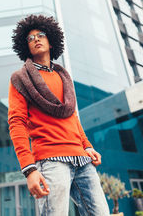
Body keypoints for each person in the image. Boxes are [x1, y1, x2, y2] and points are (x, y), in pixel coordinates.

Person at [8, 14, 110, 216]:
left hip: (82, 160)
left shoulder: (63, 76)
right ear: (25, 46)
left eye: (40, 35)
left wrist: (87, 145)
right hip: (50, 160)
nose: (35, 39)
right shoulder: (20, 78)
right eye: (30, 38)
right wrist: (29, 169)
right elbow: (17, 122)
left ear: (51, 40)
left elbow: (71, 115)